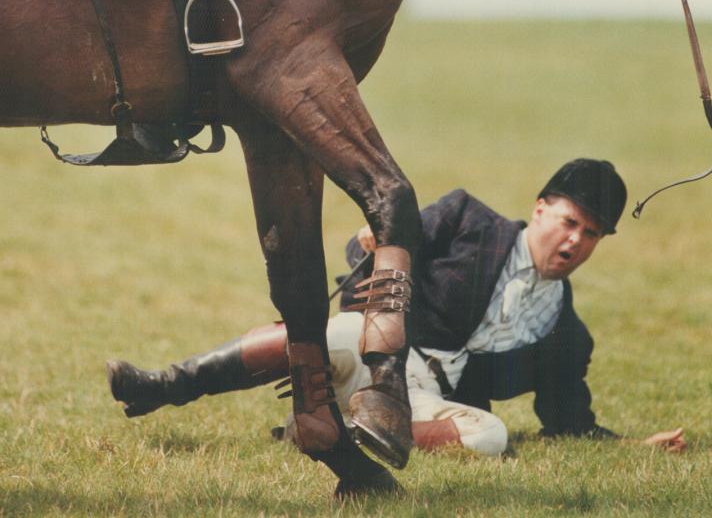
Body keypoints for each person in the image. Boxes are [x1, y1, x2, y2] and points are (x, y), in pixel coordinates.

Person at [107, 158, 685, 456]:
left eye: (590, 233)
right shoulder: (467, 219)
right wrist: (373, 240)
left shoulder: (567, 333)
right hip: (375, 355)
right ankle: (165, 383)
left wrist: (635, 446)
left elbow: (567, 422)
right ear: (539, 209)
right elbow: (387, 247)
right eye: (568, 222)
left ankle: (337, 430)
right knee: (329, 330)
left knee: (494, 438)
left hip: (422, 407)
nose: (573, 241)